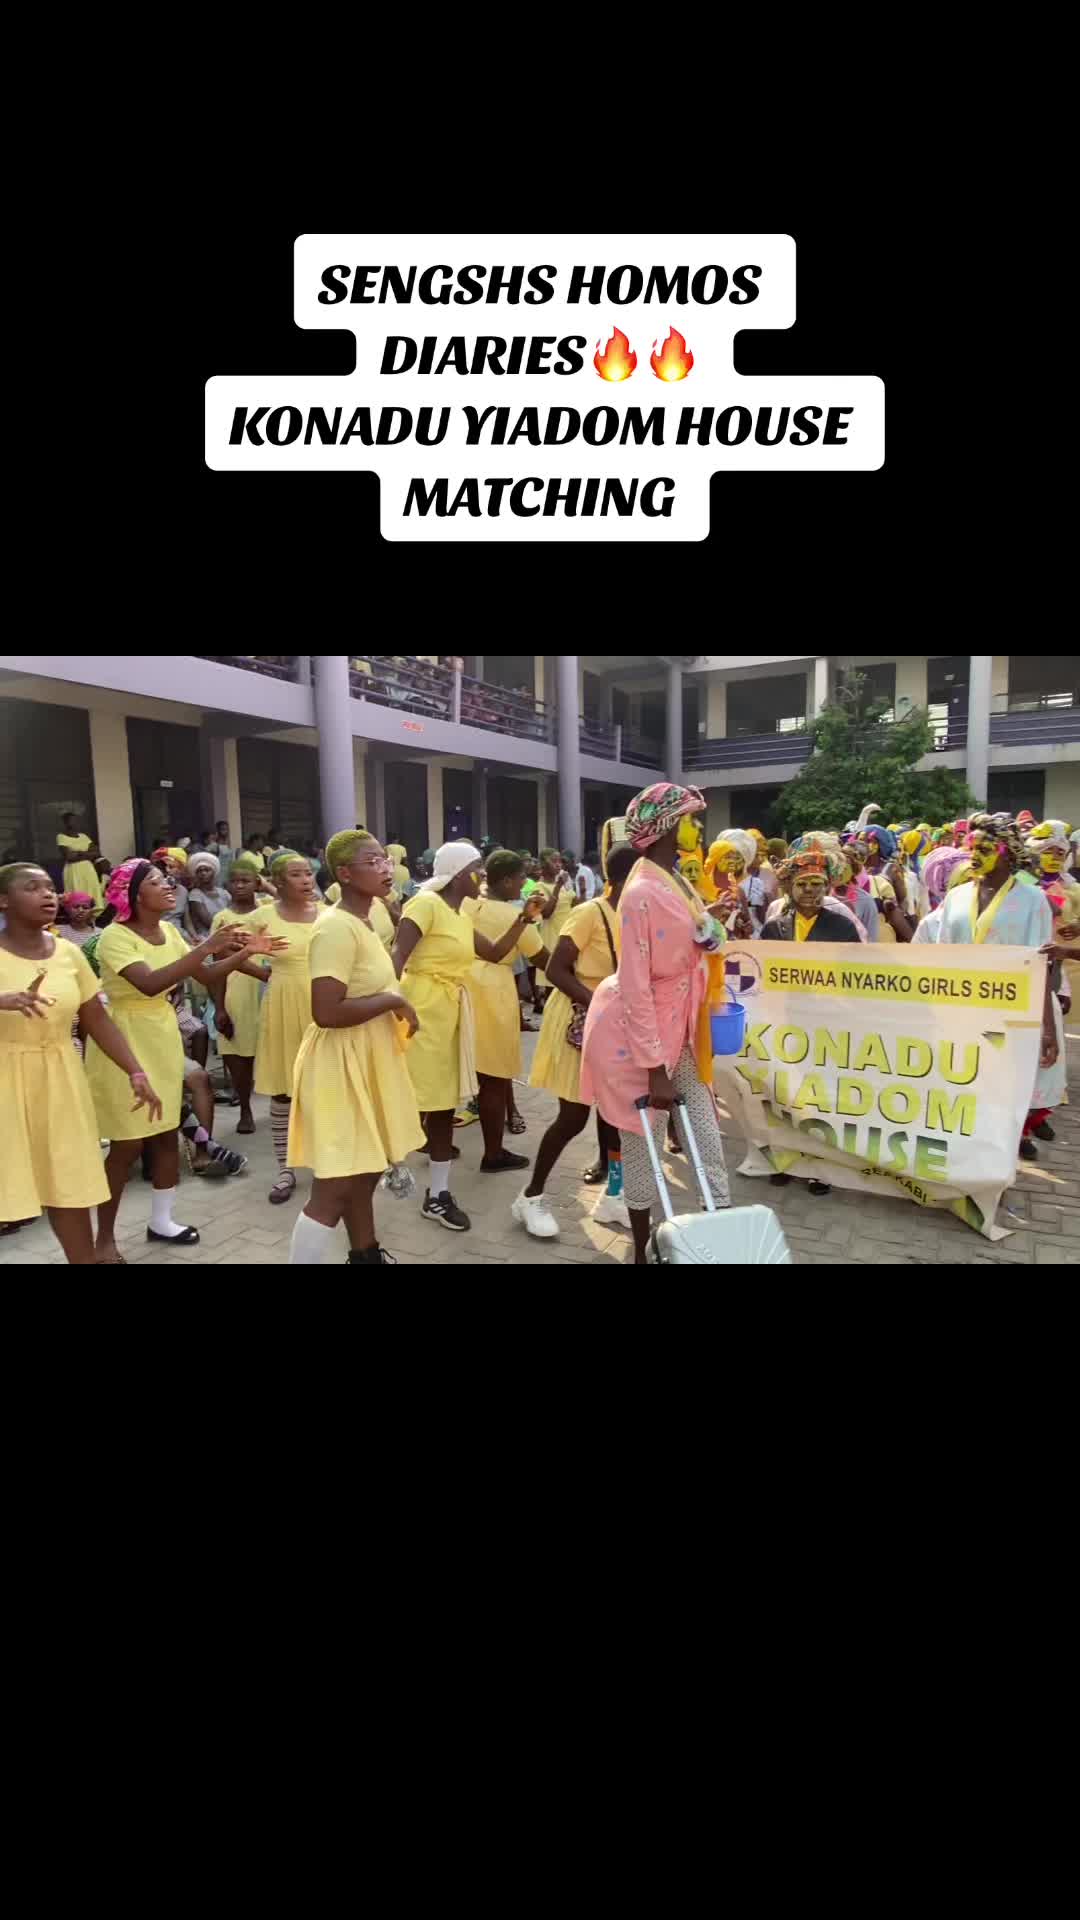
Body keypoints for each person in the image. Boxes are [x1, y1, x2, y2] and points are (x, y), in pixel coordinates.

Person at [83, 858, 278, 1262]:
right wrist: (207, 946)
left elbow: (205, 975)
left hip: (163, 1038)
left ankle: (162, 1221)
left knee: (166, 1133)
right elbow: (149, 983)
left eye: (169, 880)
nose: (170, 886)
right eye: (158, 881)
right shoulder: (114, 937)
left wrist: (246, 953)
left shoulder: (169, 931)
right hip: (125, 1041)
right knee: (127, 1145)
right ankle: (104, 1240)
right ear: (136, 894)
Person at [580, 782, 731, 1266]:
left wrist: (710, 923)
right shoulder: (640, 892)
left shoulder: (675, 878)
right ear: (667, 826)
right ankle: (641, 1253)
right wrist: (653, 1069)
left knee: (706, 1135)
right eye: (690, 818)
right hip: (637, 1038)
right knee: (642, 1146)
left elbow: (688, 935)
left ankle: (718, 1236)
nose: (697, 827)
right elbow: (635, 983)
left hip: (680, 1029)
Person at [0, 863, 164, 1262]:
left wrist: (134, 1070)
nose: (47, 894)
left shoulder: (69, 953)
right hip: (5, 1079)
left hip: (60, 1079)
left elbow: (96, 1018)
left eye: (49, 887)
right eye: (32, 887)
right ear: (3, 900)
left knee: (68, 1185)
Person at [286, 832, 426, 1264]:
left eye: (386, 859)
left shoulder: (369, 917)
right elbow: (326, 1011)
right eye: (373, 862)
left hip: (366, 1057)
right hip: (339, 1063)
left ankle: (366, 1254)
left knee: (365, 1171)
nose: (386, 868)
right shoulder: (334, 927)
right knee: (334, 1187)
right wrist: (392, 1001)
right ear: (345, 874)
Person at [516, 841, 637, 1239]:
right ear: (625, 878)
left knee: (616, 1115)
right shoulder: (590, 913)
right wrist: (599, 1002)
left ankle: (614, 1196)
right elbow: (556, 969)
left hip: (615, 1024)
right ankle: (530, 1197)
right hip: (578, 1021)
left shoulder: (637, 915)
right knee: (573, 1117)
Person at [936, 814, 1058, 1163]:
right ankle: (963, 1153)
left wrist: (1047, 1028)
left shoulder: (1033, 899)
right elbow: (940, 957)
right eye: (972, 847)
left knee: (1003, 1089)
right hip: (960, 1011)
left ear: (1008, 853)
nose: (974, 855)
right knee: (962, 1084)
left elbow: (1039, 965)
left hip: (1008, 1014)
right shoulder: (957, 896)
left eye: (985, 848)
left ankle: (1000, 1155)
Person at [390, 842, 484, 1230]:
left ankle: (438, 1194)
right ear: (459, 873)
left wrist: (525, 920)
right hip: (420, 1011)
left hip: (449, 1013)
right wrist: (392, 1006)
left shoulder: (460, 914)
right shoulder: (425, 904)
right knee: (413, 1098)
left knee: (443, 1104)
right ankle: (373, 1174)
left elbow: (493, 952)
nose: (483, 875)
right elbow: (397, 958)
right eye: (478, 868)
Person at [462, 849, 548, 1175]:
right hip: (493, 995)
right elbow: (541, 958)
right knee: (495, 1079)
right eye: (522, 877)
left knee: (461, 1069)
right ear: (508, 880)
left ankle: (434, 1144)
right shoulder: (515, 916)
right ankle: (493, 1154)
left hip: (460, 987)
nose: (525, 883)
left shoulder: (465, 904)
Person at [252, 849, 327, 1203]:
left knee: (325, 1084)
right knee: (284, 1089)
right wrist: (265, 972)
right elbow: (223, 952)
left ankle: (326, 1160)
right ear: (278, 882)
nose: (306, 880)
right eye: (296, 874)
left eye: (308, 873)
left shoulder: (328, 914)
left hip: (323, 1005)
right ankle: (286, 1168)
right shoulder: (262, 916)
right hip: (283, 1003)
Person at [204, 856, 269, 1134]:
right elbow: (216, 962)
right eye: (235, 881)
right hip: (236, 988)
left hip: (269, 988)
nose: (240, 886)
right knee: (237, 1051)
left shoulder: (269, 911)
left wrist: (269, 887)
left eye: (247, 881)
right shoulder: (223, 918)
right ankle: (245, 1108)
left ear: (257, 882)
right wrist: (219, 1007)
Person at [701, 831, 757, 935]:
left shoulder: (738, 891)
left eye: (736, 858)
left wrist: (746, 927)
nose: (732, 862)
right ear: (716, 858)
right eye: (727, 857)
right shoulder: (699, 887)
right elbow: (693, 921)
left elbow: (748, 925)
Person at [56, 813, 104, 911]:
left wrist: (78, 853)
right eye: (71, 820)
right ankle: (79, 915)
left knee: (91, 893)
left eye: (76, 820)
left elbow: (97, 853)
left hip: (88, 870)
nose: (74, 822)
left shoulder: (84, 836)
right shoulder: (61, 837)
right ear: (65, 822)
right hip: (73, 870)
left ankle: (93, 916)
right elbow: (69, 857)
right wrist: (87, 854)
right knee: (76, 895)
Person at [184, 851, 230, 938]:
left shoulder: (224, 893)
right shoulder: (195, 894)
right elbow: (208, 922)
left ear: (214, 872)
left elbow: (233, 912)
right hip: (207, 937)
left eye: (207, 870)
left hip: (227, 932)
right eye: (199, 871)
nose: (203, 873)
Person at [152, 847, 192, 938]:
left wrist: (195, 937)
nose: (167, 870)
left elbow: (187, 921)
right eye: (163, 867)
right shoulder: (153, 889)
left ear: (180, 870)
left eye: (171, 867)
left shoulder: (183, 891)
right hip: (159, 934)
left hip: (179, 934)